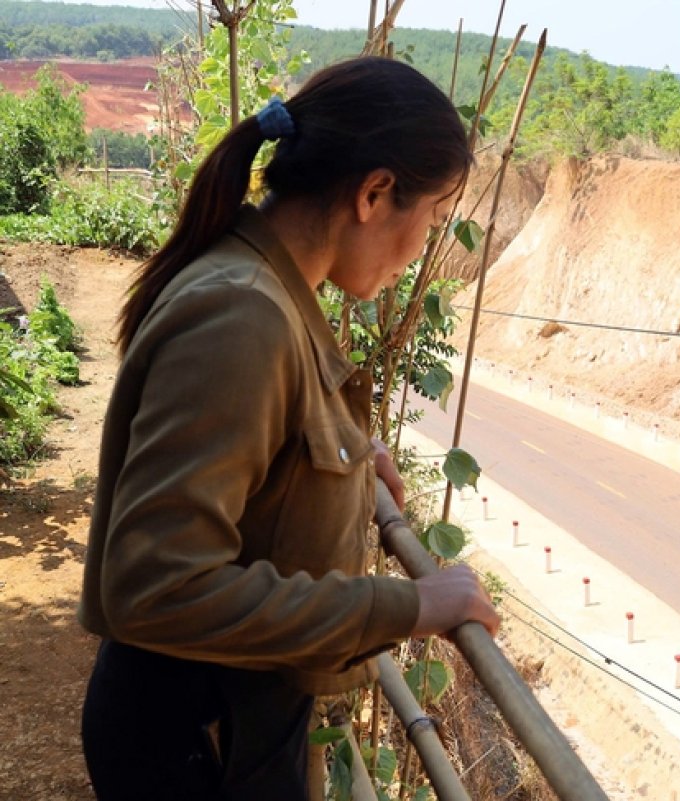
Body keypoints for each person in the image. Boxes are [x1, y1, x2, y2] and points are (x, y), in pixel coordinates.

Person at [78, 57, 500, 800]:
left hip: (216, 727)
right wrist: (409, 604)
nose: (421, 252)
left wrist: (344, 447)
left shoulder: (259, 287)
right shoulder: (243, 313)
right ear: (375, 193)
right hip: (195, 744)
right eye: (432, 216)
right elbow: (158, 584)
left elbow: (258, 448)